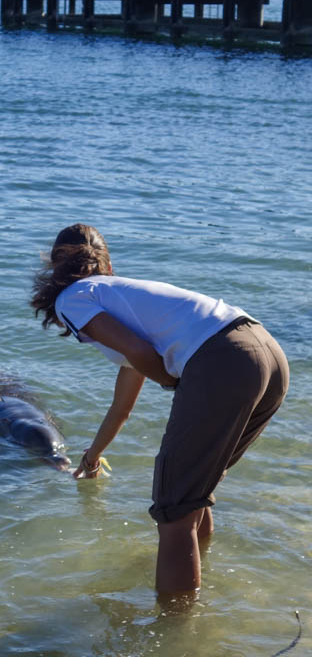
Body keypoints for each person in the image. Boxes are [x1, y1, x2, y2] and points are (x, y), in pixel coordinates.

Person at [30, 223, 289, 601]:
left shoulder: (72, 297)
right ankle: (198, 588)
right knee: (194, 493)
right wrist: (92, 456)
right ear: (106, 264)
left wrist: (176, 385)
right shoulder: (129, 301)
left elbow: (138, 355)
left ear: (55, 264)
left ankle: (175, 631)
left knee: (174, 506)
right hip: (267, 352)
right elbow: (122, 404)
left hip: (223, 358)